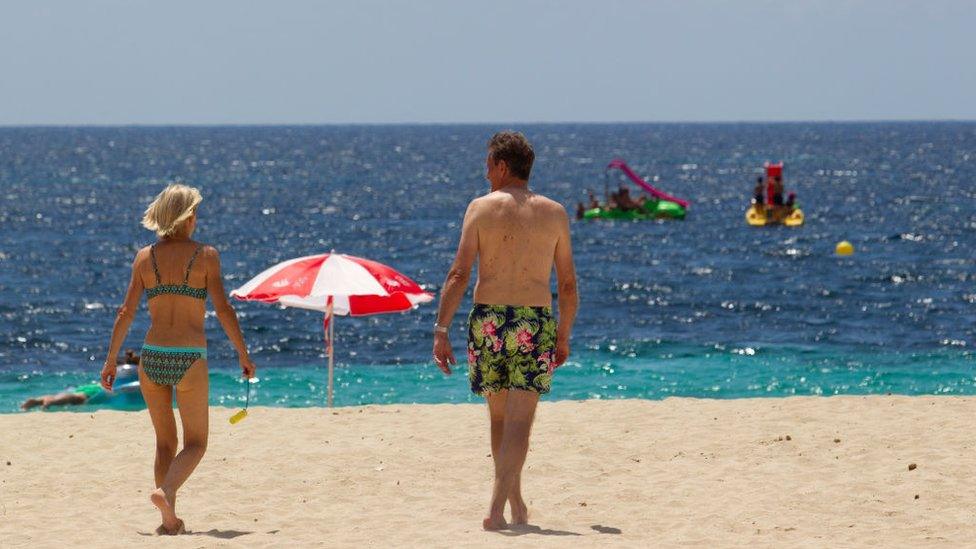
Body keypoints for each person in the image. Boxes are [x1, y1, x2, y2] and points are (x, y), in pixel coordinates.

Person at [432, 131, 578, 531]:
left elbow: (459, 273)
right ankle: (507, 504)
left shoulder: (480, 208)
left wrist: (441, 328)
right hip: (533, 320)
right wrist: (562, 334)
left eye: (488, 164)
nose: (485, 171)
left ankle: (504, 505)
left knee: (500, 420)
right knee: (518, 422)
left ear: (501, 166)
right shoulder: (555, 213)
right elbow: (567, 285)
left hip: (489, 320)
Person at [101, 183, 256, 535]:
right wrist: (243, 354)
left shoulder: (144, 257)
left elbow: (125, 312)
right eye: (195, 212)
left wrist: (111, 360)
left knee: (164, 443)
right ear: (187, 217)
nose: (197, 219)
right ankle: (166, 491)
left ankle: (168, 521)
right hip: (188, 356)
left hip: (152, 356)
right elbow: (224, 309)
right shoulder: (206, 256)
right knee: (197, 443)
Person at [21, 363, 138, 410]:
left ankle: (38, 401)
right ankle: (51, 402)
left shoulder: (116, 371)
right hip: (97, 390)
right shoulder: (128, 376)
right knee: (77, 398)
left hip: (89, 386)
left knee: (71, 394)